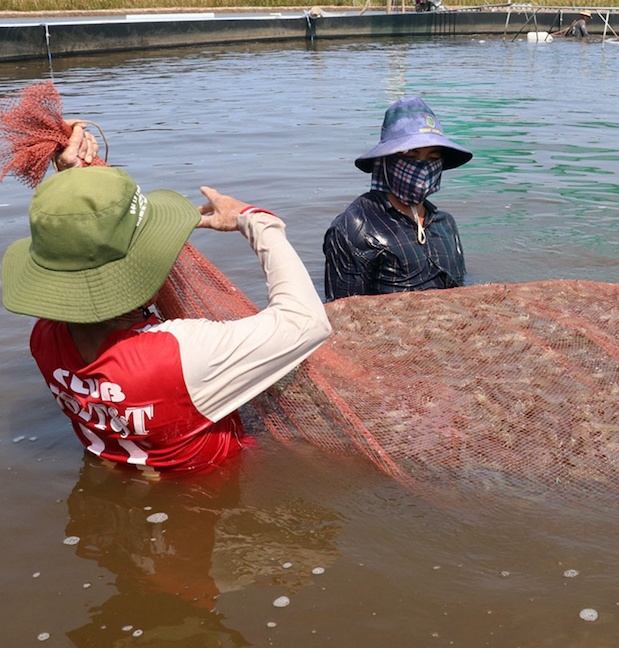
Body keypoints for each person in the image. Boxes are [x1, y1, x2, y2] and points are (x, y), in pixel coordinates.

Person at [1, 126, 331, 473]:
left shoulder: (44, 338)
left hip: (121, 474)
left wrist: (72, 176)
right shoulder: (183, 352)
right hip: (209, 487)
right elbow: (306, 322)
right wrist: (256, 221)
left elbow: (78, 253)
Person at [323, 96, 473, 300]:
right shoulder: (356, 228)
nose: (422, 168)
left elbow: (461, 291)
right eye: (410, 156)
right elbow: (343, 312)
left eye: (433, 157)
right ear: (386, 161)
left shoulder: (445, 224)